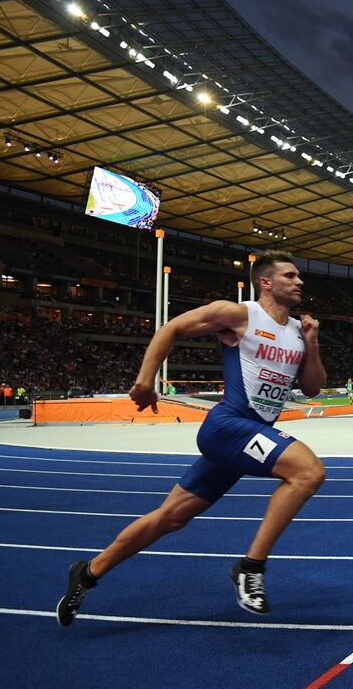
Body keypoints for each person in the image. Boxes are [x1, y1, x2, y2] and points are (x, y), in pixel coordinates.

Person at [55, 251, 327, 626]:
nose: (300, 282)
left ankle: (87, 572)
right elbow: (171, 328)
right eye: (290, 276)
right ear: (266, 282)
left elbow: (312, 389)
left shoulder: (299, 331)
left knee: (170, 518)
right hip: (229, 425)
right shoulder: (239, 314)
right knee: (308, 472)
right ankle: (251, 568)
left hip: (249, 435)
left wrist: (312, 343)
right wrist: (145, 380)